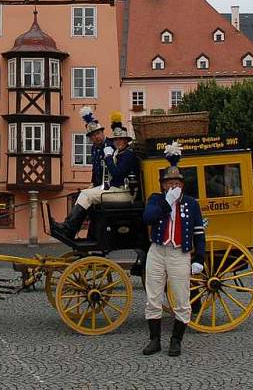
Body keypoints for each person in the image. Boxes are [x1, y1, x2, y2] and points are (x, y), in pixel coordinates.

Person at [142, 142, 205, 357]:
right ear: (163, 185)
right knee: (153, 297)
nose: (172, 186)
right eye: (168, 183)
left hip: (180, 253)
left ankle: (176, 340)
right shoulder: (156, 199)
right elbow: (147, 218)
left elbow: (199, 232)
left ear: (182, 185)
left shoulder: (191, 204)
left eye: (176, 183)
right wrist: (165, 204)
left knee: (181, 298)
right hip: (157, 251)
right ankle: (154, 340)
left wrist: (200, 259)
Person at [51, 109, 139, 240]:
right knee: (86, 197)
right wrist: (93, 184)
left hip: (119, 189)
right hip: (108, 186)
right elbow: (96, 168)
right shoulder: (97, 148)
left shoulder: (118, 150)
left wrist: (108, 157)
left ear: (103, 133)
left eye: (98, 133)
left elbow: (116, 172)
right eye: (93, 135)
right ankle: (88, 233)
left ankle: (69, 229)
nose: (96, 137)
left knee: (86, 196)